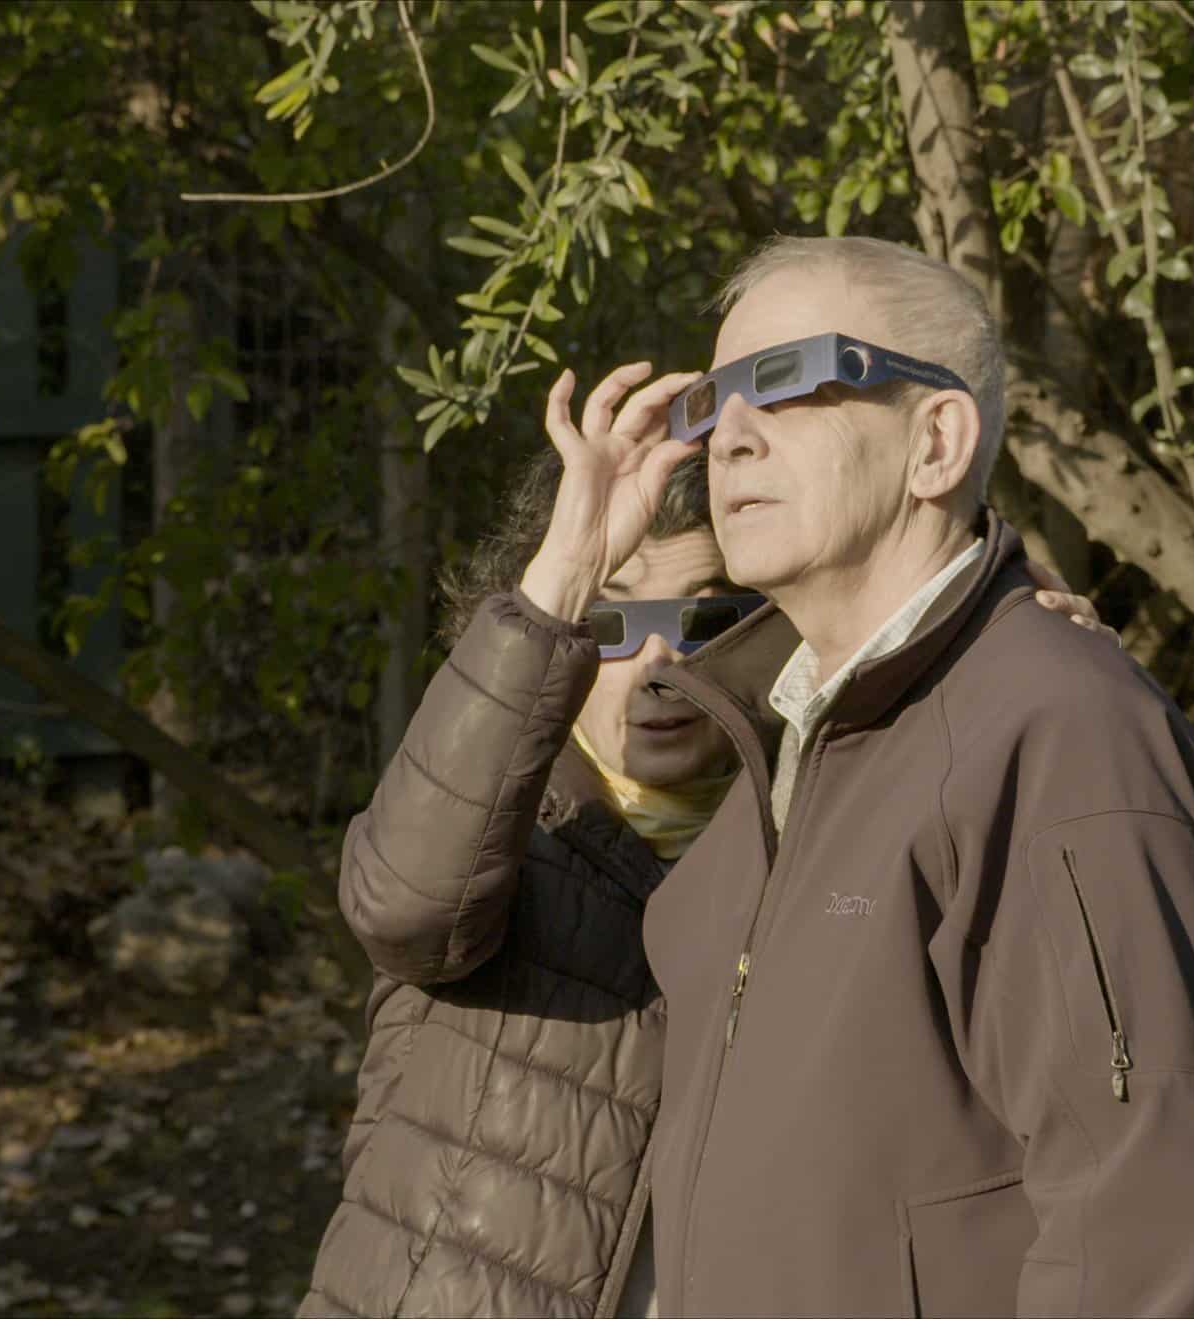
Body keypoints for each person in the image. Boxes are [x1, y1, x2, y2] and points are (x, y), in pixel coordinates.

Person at [298, 359, 1119, 1319]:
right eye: (609, 620)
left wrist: (1008, 639)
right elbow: (404, 909)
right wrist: (565, 565)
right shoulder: (489, 817)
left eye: (704, 618)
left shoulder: (818, 833)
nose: (657, 661)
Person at [639, 236, 1194, 1317]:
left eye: (782, 382)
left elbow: (1135, 1230)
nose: (727, 437)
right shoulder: (773, 739)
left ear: (936, 442)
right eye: (711, 403)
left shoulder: (1062, 731)